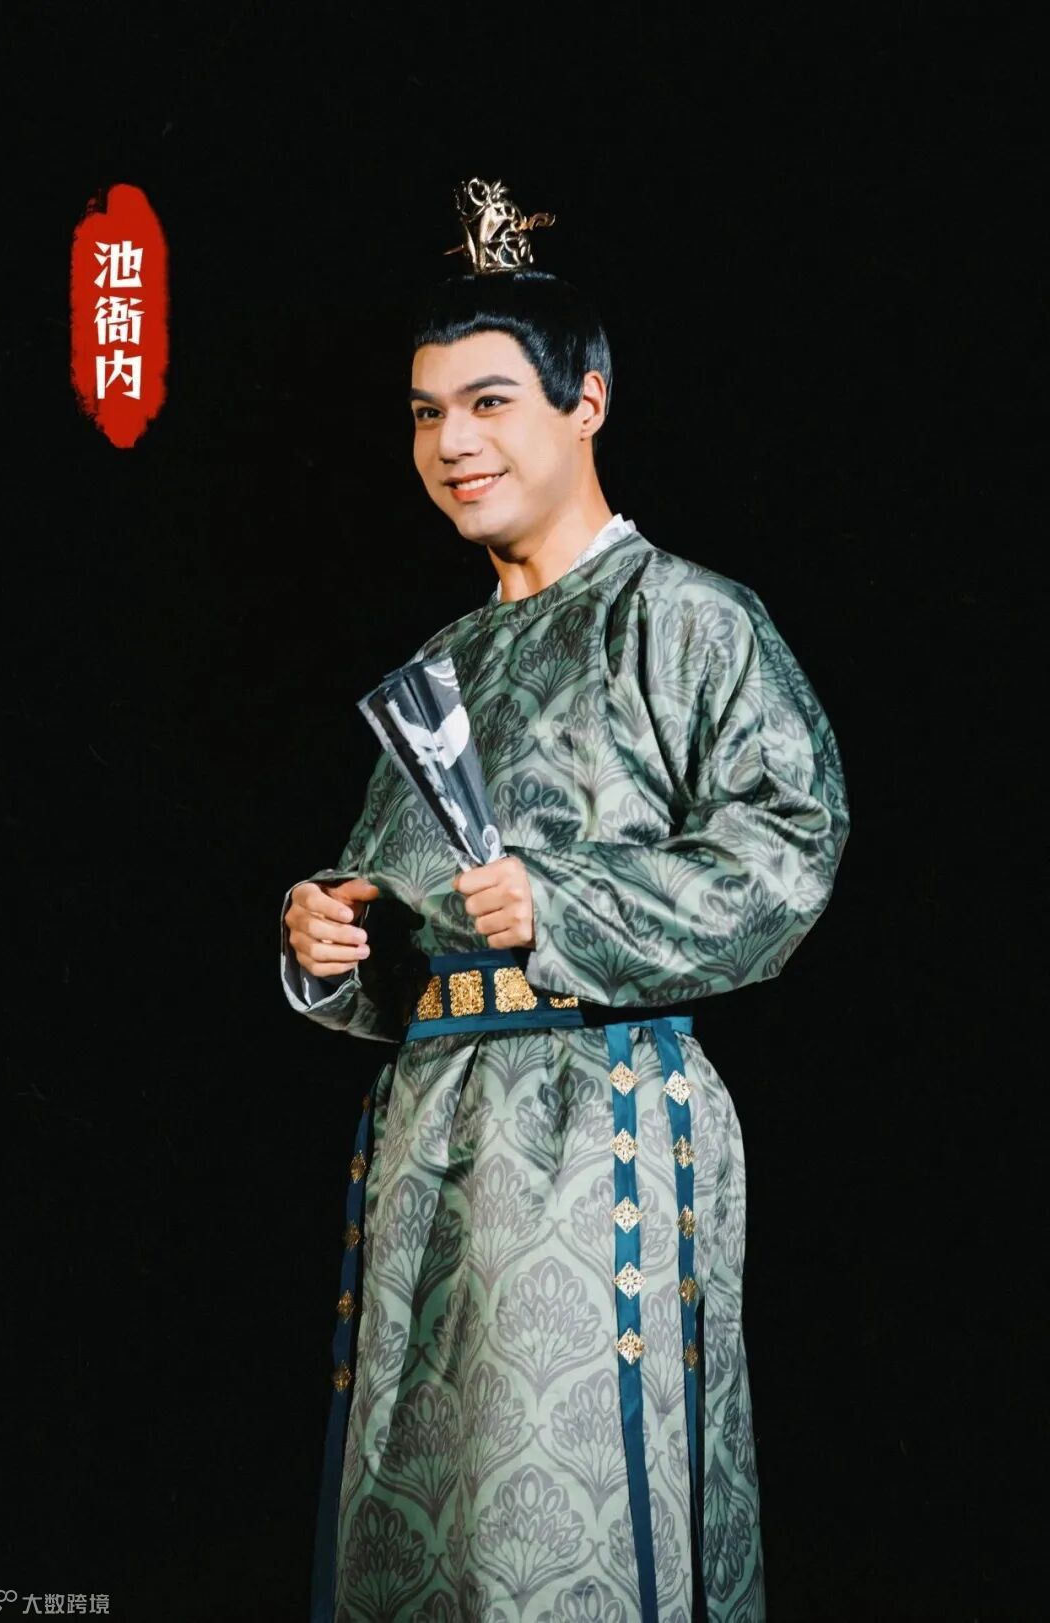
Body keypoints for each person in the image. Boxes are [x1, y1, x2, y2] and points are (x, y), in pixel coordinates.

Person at [281, 179, 850, 1623]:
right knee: (417, 1524)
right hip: (431, 1132)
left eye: (490, 403)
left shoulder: (685, 616)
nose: (453, 443)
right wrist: (335, 934)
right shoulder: (444, 661)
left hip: (600, 1117)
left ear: (586, 401)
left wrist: (562, 902)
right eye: (427, 414)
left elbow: (788, 850)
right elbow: (405, 912)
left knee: (559, 1531)